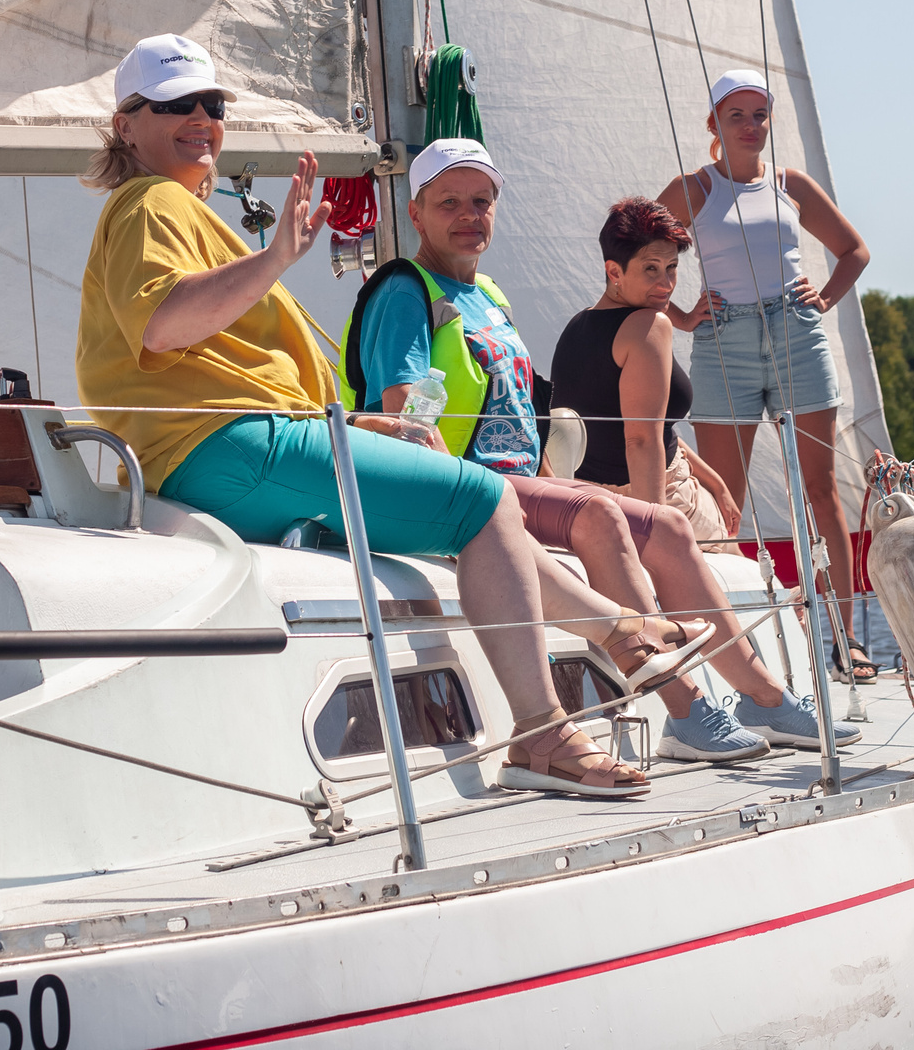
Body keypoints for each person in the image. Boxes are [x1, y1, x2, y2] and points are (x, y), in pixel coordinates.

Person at [75, 38, 662, 798]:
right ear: (127, 125)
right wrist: (278, 255)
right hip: (228, 447)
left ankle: (618, 628)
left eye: (212, 105)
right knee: (483, 500)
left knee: (483, 507)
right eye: (174, 105)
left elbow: (226, 367)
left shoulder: (171, 211)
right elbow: (162, 325)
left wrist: (358, 429)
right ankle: (548, 728)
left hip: (232, 448)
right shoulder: (153, 204)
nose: (199, 118)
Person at [352, 140, 849, 761]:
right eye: (449, 201)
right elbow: (401, 414)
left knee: (667, 525)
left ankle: (765, 698)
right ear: (416, 209)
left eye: (482, 201)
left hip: (518, 483)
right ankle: (686, 708)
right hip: (461, 490)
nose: (469, 214)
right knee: (600, 513)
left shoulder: (491, 296)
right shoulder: (406, 292)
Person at [551, 198, 861, 753]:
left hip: (600, 493)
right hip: (652, 494)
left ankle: (752, 701)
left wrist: (708, 474)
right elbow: (639, 438)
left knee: (713, 591)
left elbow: (637, 423)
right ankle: (761, 701)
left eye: (672, 269)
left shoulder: (579, 328)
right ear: (613, 271)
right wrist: (652, 523)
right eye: (651, 269)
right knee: (722, 588)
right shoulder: (648, 326)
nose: (666, 283)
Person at [656, 69, 877, 679]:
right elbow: (631, 254)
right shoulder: (692, 190)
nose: (751, 127)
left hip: (795, 332)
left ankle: (846, 639)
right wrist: (679, 315)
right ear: (715, 125)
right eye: (737, 116)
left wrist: (826, 298)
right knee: (724, 501)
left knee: (822, 493)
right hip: (724, 339)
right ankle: (736, 648)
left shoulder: (790, 185)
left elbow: (853, 250)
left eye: (760, 115)